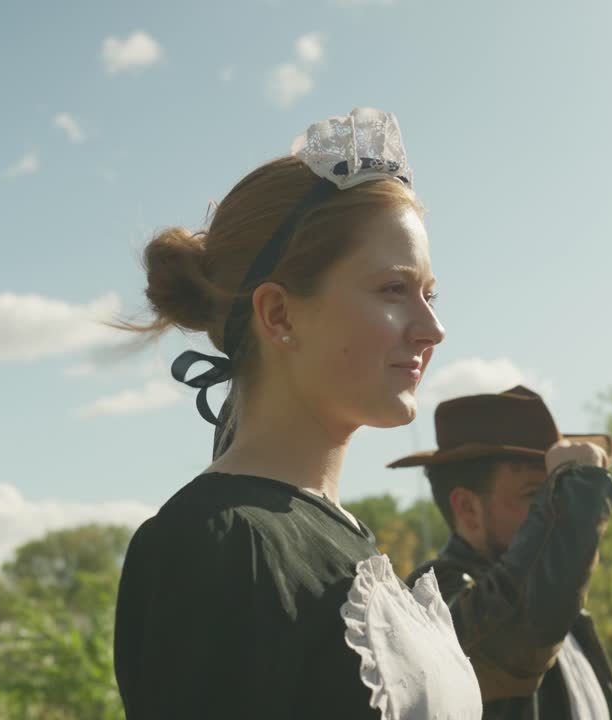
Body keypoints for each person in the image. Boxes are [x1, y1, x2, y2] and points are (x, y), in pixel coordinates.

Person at [112, 108, 482, 719]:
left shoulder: (331, 535)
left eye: (429, 293)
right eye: (394, 289)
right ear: (279, 314)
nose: (432, 329)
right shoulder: (220, 547)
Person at [390, 385, 612, 719]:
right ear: (468, 509)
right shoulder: (435, 603)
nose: (554, 504)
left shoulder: (558, 604)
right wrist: (577, 485)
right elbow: (517, 630)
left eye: (557, 490)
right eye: (536, 494)